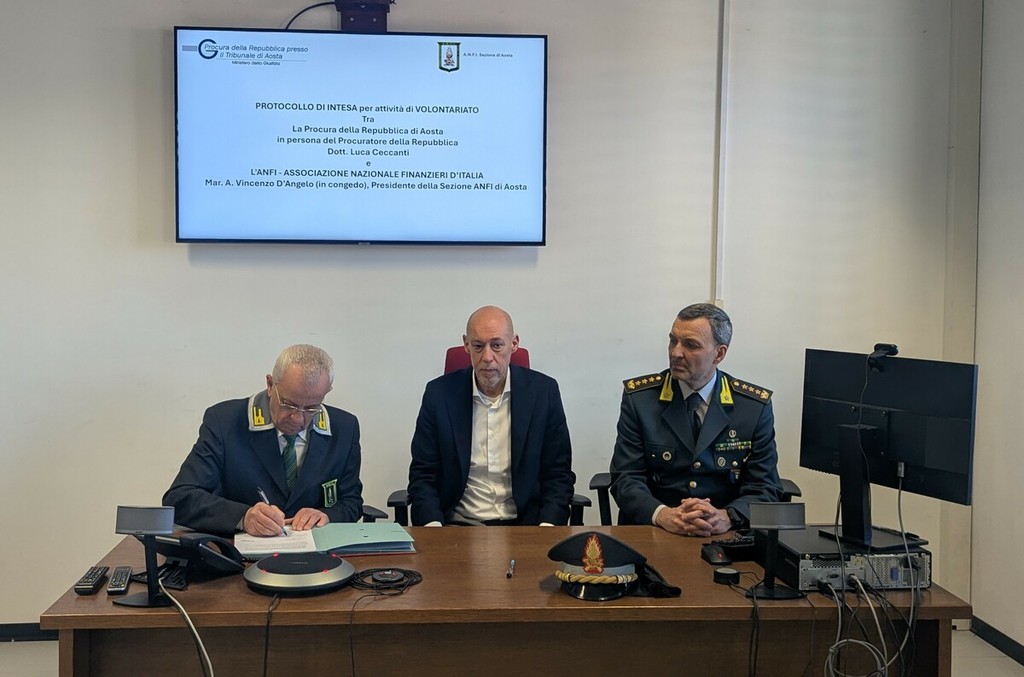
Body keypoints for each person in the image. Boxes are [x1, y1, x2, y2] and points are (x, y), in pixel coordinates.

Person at [610, 303, 782, 537]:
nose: (676, 353)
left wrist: (728, 516)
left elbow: (765, 487)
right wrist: (662, 514)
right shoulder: (641, 400)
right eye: (673, 341)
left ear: (719, 354)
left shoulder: (752, 408)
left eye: (691, 345)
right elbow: (625, 478)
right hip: (657, 532)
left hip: (725, 535)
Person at [163, 344, 363, 536]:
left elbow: (351, 503)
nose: (298, 418)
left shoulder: (344, 428)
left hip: (316, 551)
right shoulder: (224, 422)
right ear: (270, 385)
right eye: (288, 404)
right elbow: (180, 498)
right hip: (239, 552)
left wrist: (326, 515)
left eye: (311, 408)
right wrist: (243, 517)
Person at [407, 305, 576, 526]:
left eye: (496, 345)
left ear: (514, 344)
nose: (487, 357)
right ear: (466, 345)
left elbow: (558, 474)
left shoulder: (544, 393)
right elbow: (423, 475)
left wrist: (546, 529)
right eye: (478, 346)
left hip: (526, 526)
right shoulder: (439, 395)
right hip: (458, 526)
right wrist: (433, 528)